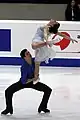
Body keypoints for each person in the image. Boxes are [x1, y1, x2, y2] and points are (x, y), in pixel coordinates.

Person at [1, 49, 52, 115]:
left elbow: (40, 59)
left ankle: (42, 107)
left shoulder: (34, 61)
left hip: (33, 82)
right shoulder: (24, 67)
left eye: (29, 52)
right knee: (8, 91)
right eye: (27, 53)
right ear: (24, 57)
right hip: (24, 83)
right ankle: (9, 108)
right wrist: (33, 79)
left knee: (48, 90)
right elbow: (24, 81)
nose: (29, 54)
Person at [31, 19, 78, 84]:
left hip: (38, 41)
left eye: (55, 21)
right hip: (41, 43)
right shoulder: (49, 28)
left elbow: (47, 34)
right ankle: (36, 77)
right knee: (37, 62)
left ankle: (49, 42)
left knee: (34, 46)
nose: (53, 20)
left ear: (52, 24)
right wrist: (71, 39)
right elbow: (62, 35)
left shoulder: (46, 27)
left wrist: (71, 39)